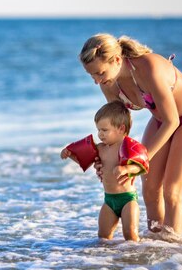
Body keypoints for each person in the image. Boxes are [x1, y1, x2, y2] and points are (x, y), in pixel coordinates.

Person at [79, 33, 182, 237]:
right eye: (92, 76)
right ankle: (154, 247)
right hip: (161, 121)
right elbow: (118, 131)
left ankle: (172, 250)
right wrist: (108, 161)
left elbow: (173, 121)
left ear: (116, 60)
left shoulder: (149, 68)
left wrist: (138, 163)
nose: (97, 82)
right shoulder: (109, 84)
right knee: (150, 189)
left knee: (172, 190)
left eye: (100, 73)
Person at [61, 101, 147, 242]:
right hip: (109, 201)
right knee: (103, 236)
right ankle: (105, 261)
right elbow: (85, 161)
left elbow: (141, 166)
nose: (100, 134)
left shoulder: (127, 147)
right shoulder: (100, 148)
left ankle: (133, 259)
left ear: (121, 128)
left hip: (128, 199)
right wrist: (70, 154)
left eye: (104, 130)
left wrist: (126, 168)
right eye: (98, 130)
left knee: (130, 234)